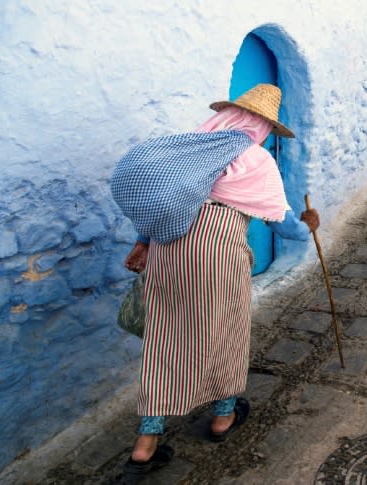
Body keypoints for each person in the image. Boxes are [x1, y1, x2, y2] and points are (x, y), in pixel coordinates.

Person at [118, 84, 319, 481]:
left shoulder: (188, 154)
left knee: (165, 339)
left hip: (167, 251)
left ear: (228, 116)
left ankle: (145, 443)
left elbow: (162, 202)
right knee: (224, 332)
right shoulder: (256, 160)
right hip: (218, 255)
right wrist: (309, 224)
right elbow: (288, 229)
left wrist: (142, 242)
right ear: (262, 127)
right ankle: (223, 417)